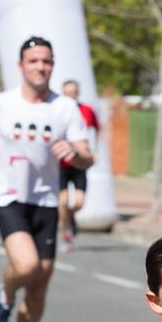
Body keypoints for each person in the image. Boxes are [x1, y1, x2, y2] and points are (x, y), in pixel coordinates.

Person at [0, 36, 93, 322]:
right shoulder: (0, 103)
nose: (40, 66)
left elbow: (87, 156)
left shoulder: (65, 107)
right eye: (34, 61)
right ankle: (4, 298)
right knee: (26, 265)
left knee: (39, 284)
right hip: (8, 196)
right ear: (21, 66)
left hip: (46, 200)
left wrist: (75, 154)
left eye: (46, 61)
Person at [58, 79, 100, 252]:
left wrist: (93, 149)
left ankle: (71, 218)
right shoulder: (57, 111)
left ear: (78, 93)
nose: (70, 96)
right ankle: (66, 235)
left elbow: (98, 128)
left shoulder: (86, 110)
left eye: (73, 93)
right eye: (67, 93)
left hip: (79, 162)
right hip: (61, 163)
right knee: (64, 201)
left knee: (79, 203)